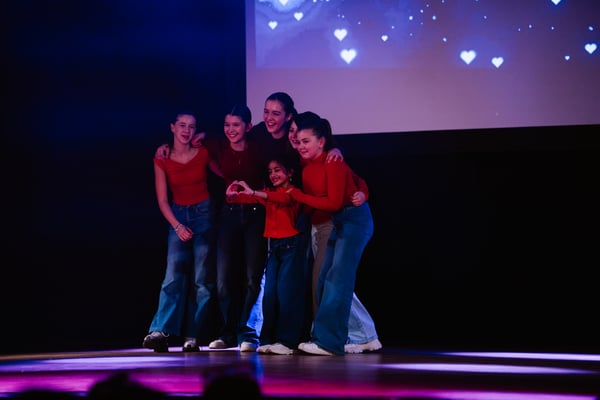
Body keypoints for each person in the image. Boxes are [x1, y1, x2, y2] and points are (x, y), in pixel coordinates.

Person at [288, 114, 382, 354]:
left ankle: (330, 343)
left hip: (354, 220)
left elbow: (333, 202)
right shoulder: (307, 168)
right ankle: (338, 338)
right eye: (299, 141)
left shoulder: (333, 161)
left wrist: (297, 195)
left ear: (321, 142)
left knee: (337, 279)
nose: (301, 146)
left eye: (306, 141)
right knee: (323, 279)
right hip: (339, 221)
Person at [143, 111, 216, 353]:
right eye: (182, 125)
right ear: (172, 127)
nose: (187, 130)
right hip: (177, 216)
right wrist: (177, 225)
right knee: (173, 276)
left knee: (201, 279)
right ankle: (159, 331)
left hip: (204, 214)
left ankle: (193, 335)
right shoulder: (162, 157)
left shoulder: (203, 152)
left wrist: (207, 136)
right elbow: (163, 200)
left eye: (191, 126)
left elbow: (224, 170)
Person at [226, 157, 310, 355]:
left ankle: (287, 341)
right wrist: (233, 196)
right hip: (274, 247)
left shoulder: (293, 192)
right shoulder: (269, 193)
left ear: (290, 172)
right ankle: (267, 339)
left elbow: (282, 199)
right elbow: (251, 198)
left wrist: (254, 192)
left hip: (291, 245)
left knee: (287, 294)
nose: (273, 175)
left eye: (277, 170)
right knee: (270, 295)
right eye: (270, 171)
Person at [203, 104, 267, 352]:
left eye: (236, 125)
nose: (231, 130)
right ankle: (227, 333)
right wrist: (225, 177)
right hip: (229, 214)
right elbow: (200, 146)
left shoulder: (258, 149)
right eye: (227, 125)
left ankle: (248, 333)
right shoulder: (219, 146)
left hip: (255, 214)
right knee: (223, 278)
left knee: (253, 277)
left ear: (248, 127)